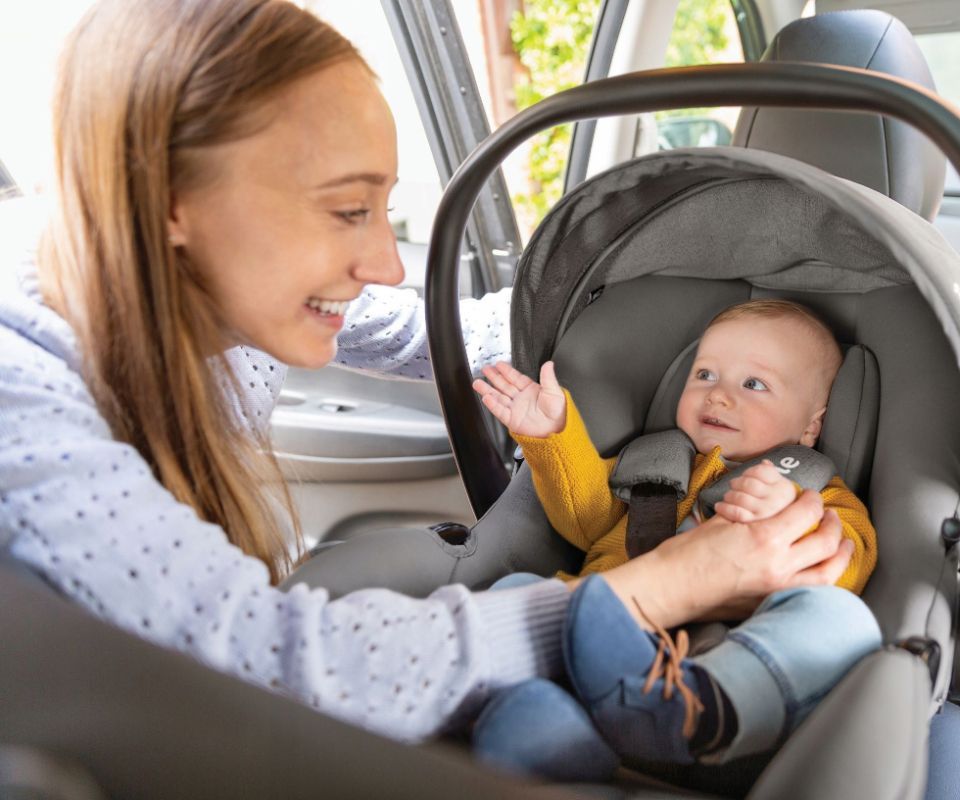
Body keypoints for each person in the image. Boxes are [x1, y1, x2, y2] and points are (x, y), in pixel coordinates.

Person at [0, 0, 854, 755]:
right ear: (168, 199)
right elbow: (269, 670)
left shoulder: (213, 296)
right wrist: (674, 579)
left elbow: (430, 329)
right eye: (348, 210)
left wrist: (581, 309)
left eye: (386, 212)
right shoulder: (25, 416)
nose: (383, 262)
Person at [470, 300, 882, 777]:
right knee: (514, 593)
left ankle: (692, 713)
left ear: (811, 427)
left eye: (754, 384)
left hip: (721, 664)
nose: (719, 395)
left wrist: (789, 514)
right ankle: (557, 736)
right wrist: (554, 437)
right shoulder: (654, 465)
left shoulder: (816, 491)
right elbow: (587, 521)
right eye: (705, 375)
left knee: (847, 622)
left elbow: (851, 559)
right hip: (610, 628)